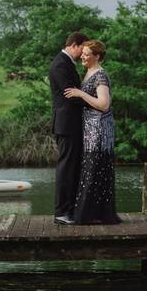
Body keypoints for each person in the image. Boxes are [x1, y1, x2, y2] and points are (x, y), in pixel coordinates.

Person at [63, 40, 120, 224]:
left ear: (97, 56)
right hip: (89, 129)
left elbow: (104, 105)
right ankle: (94, 214)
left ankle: (92, 215)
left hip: (100, 129)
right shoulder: (88, 73)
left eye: (87, 54)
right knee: (90, 169)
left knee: (95, 169)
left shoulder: (101, 76)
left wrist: (80, 94)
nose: (83, 56)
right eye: (83, 53)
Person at [49, 32, 89, 225]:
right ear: (74, 45)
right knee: (66, 168)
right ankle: (61, 213)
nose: (83, 54)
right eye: (83, 48)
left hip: (72, 123)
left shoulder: (66, 63)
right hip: (66, 124)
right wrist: (94, 103)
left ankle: (70, 210)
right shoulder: (60, 64)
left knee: (72, 167)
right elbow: (70, 95)